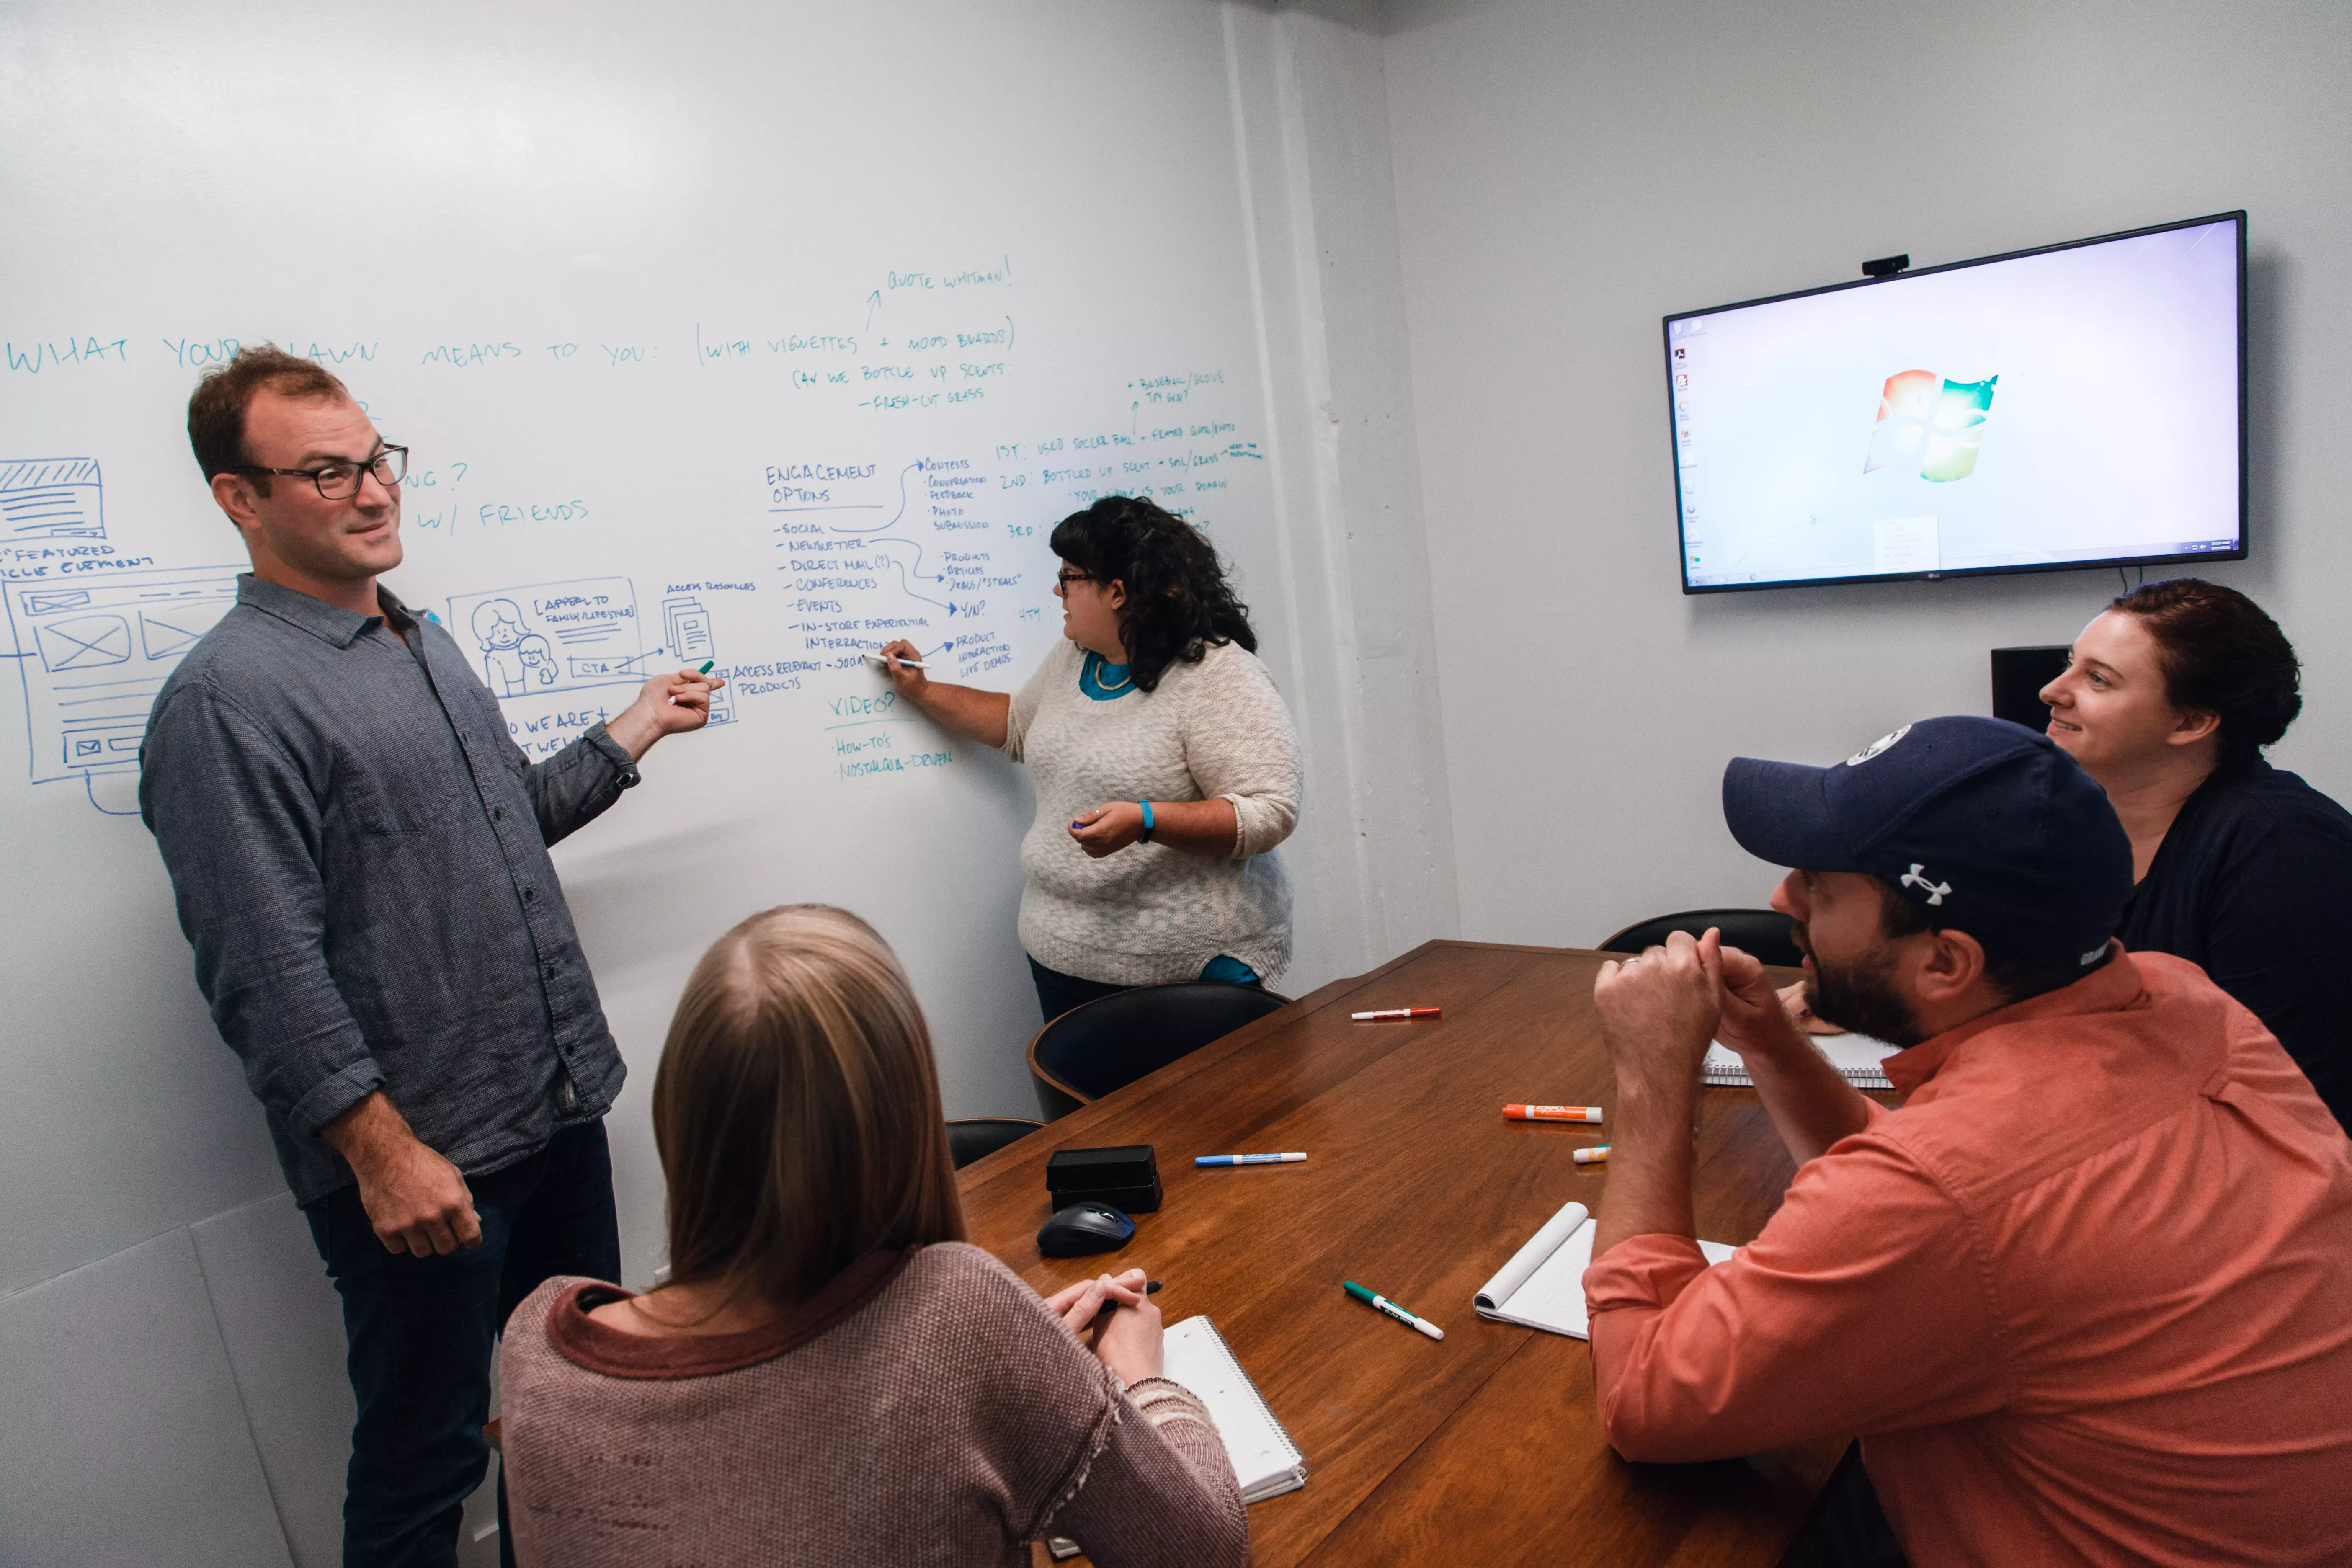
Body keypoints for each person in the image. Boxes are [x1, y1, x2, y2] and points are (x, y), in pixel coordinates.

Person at [139, 346, 724, 1567]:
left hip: (552, 1108)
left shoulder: (421, 641)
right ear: (239, 499)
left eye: (376, 461)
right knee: (431, 1454)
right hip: (428, 1165)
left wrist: (633, 731)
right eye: (326, 473)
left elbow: (508, 820)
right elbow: (263, 964)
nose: (372, 492)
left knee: (575, 1412)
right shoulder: (225, 703)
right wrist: (384, 1154)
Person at [1583, 716, 2352, 1566]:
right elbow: (1957, 1196)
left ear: (1948, 964)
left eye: (1821, 887)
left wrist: (1651, 1084)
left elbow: (1644, 1396)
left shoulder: (1949, 1192)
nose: (1782, 901)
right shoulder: (2185, 999)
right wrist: (1767, 1037)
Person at [497, 905, 1248, 1566]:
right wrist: (1139, 1376)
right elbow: (1203, 1550)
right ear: (906, 1114)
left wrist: (1011, 1365)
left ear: (682, 1113)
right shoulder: (961, 1309)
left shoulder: (538, 1340)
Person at [878, 495, 1301, 1023]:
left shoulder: (1218, 677)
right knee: (1087, 1108)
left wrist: (1146, 821)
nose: (1059, 590)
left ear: (1118, 593)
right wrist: (921, 690)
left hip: (1187, 979)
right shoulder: (1075, 659)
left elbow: (1267, 811)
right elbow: (1016, 726)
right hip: (1063, 959)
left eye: (1070, 577)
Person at [2040, 578, 2352, 1128]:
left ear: (2190, 723)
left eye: (2098, 680)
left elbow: (2296, 1115)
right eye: (2071, 663)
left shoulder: (2284, 849)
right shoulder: (2064, 829)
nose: (2053, 691)